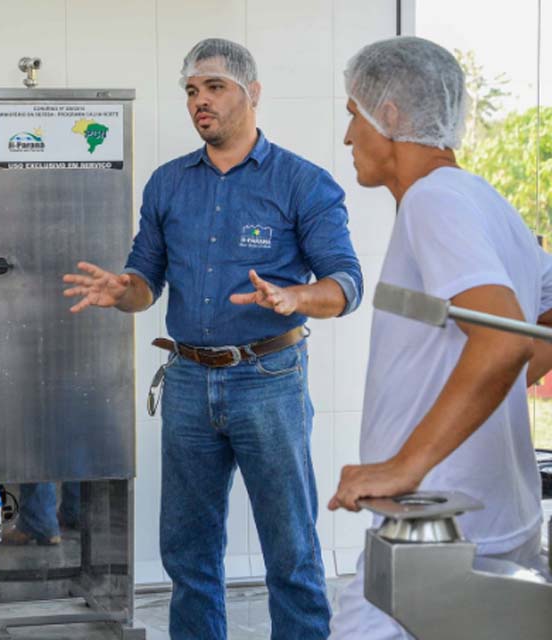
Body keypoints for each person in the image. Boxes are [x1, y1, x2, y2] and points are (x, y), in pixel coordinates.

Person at [62, 39, 363, 640]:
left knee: (291, 550)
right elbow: (145, 282)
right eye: (192, 91)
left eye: (215, 87)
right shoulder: (167, 184)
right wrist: (122, 291)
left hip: (269, 382)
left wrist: (296, 298)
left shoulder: (304, 183)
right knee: (187, 551)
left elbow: (346, 285)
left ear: (253, 93)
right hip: (188, 382)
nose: (200, 101)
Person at [329, 37, 552, 639]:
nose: (348, 136)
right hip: (495, 516)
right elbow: (536, 322)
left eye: (353, 114)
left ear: (389, 114)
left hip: (441, 529)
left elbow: (503, 342)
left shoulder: (434, 200)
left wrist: (405, 466)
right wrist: (503, 385)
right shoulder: (488, 202)